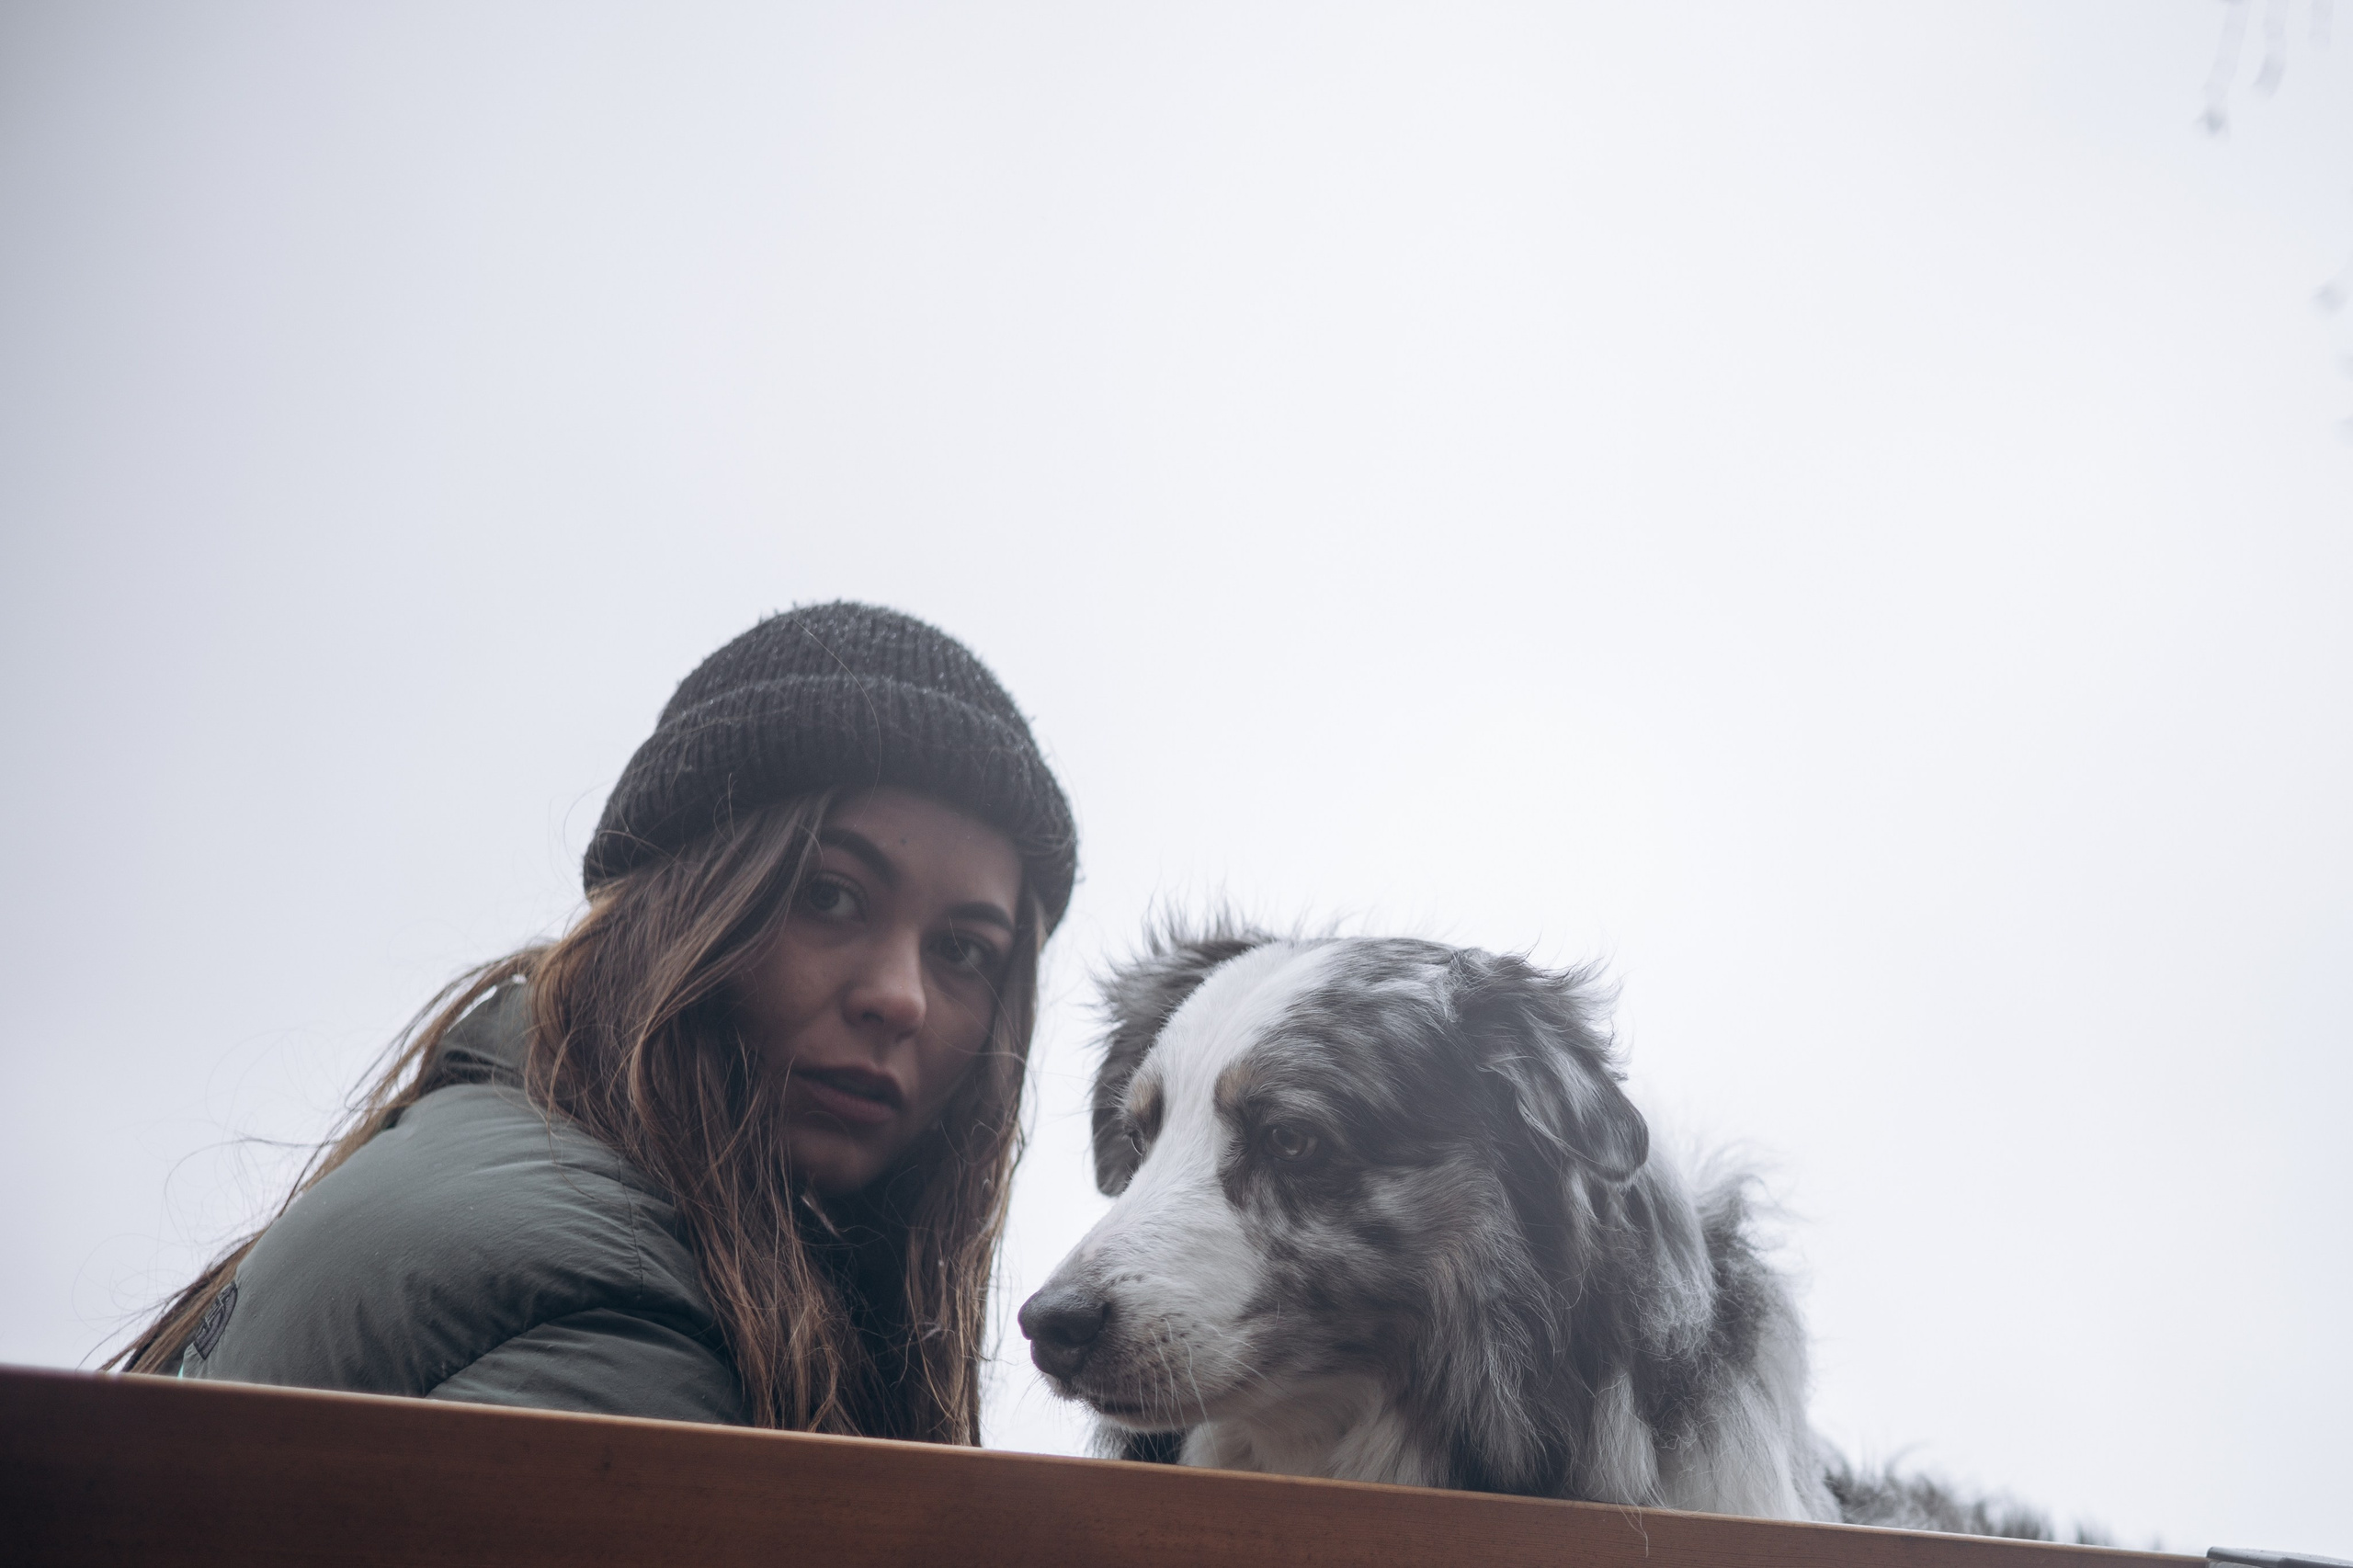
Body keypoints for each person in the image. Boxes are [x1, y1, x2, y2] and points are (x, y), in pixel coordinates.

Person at [112, 603, 1076, 1443]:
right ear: (681, 908)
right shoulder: (625, 1315)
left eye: (963, 951)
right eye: (828, 893)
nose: (899, 996)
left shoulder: (496, 1154)